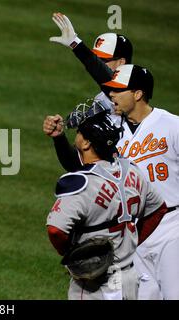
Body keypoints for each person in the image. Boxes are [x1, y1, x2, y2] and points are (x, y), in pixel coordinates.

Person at [46, 99, 168, 300]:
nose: (76, 136)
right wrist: (132, 242)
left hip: (96, 286)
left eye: (78, 133)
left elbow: (55, 230)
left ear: (86, 143)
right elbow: (158, 210)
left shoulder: (81, 183)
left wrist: (70, 254)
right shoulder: (132, 171)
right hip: (129, 278)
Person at [103, 64, 179, 299]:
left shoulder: (172, 125)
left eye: (118, 90)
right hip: (132, 233)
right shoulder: (112, 132)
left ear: (138, 94)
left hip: (171, 227)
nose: (111, 94)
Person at [44, 12, 133, 171]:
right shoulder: (101, 101)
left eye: (102, 60)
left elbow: (108, 80)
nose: (96, 63)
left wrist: (76, 44)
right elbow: (76, 165)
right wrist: (59, 138)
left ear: (121, 63)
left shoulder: (133, 98)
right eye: (95, 58)